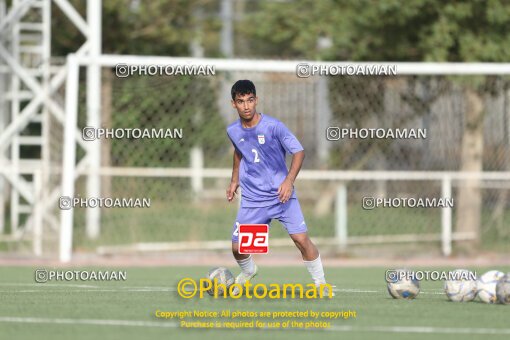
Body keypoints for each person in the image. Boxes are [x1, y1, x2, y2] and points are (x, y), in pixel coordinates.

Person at [226, 79, 332, 296]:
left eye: (250, 100)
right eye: (241, 101)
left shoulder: (273, 126)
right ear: (233, 104)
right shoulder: (233, 130)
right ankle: (249, 272)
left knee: (301, 240)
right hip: (254, 199)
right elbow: (239, 151)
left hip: (281, 196)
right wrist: (234, 179)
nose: (246, 106)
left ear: (256, 100)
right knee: (238, 249)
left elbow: (299, 152)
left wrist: (289, 181)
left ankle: (321, 284)